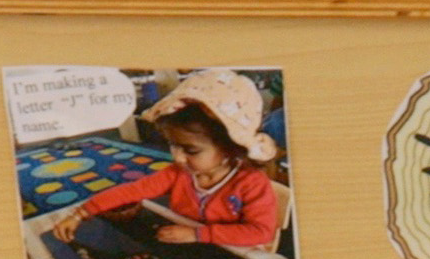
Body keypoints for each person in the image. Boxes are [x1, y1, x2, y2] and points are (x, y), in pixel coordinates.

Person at [52, 68, 280, 249]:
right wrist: (81, 213)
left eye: (190, 150)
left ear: (231, 148)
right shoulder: (179, 173)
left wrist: (198, 234)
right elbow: (131, 191)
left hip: (232, 249)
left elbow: (261, 232)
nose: (177, 158)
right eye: (173, 145)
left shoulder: (252, 184)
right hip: (188, 244)